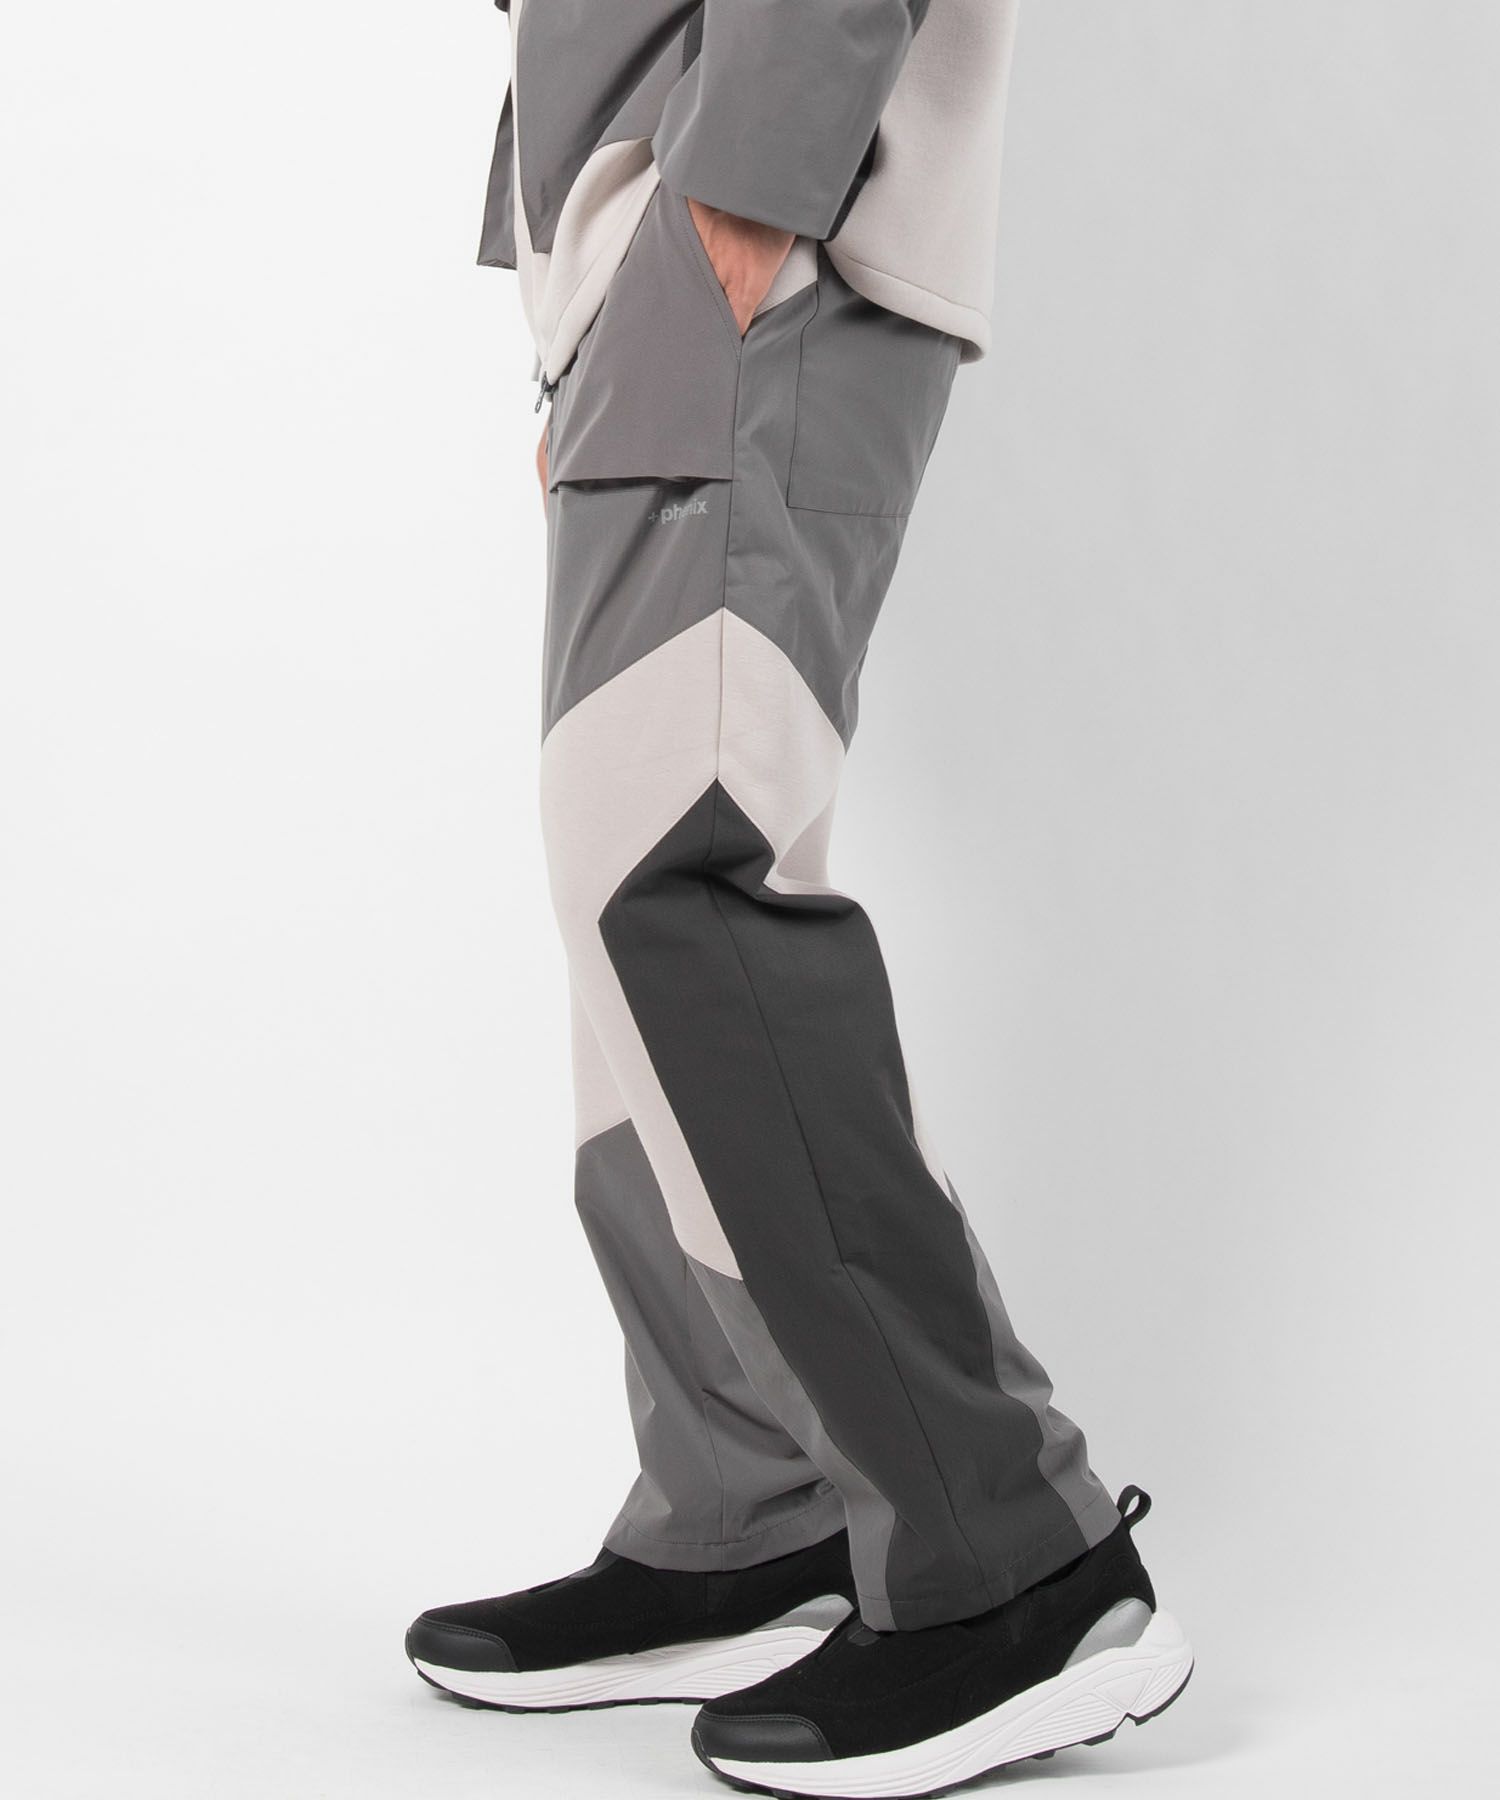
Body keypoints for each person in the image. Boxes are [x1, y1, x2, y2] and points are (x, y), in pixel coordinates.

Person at [405, 5, 1193, 1794]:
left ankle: (1015, 1553)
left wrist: (732, 211)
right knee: (621, 874)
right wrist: (597, 286)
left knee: (670, 867)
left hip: (749, 213)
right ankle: (751, 1504)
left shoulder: (737, 221)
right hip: (645, 238)